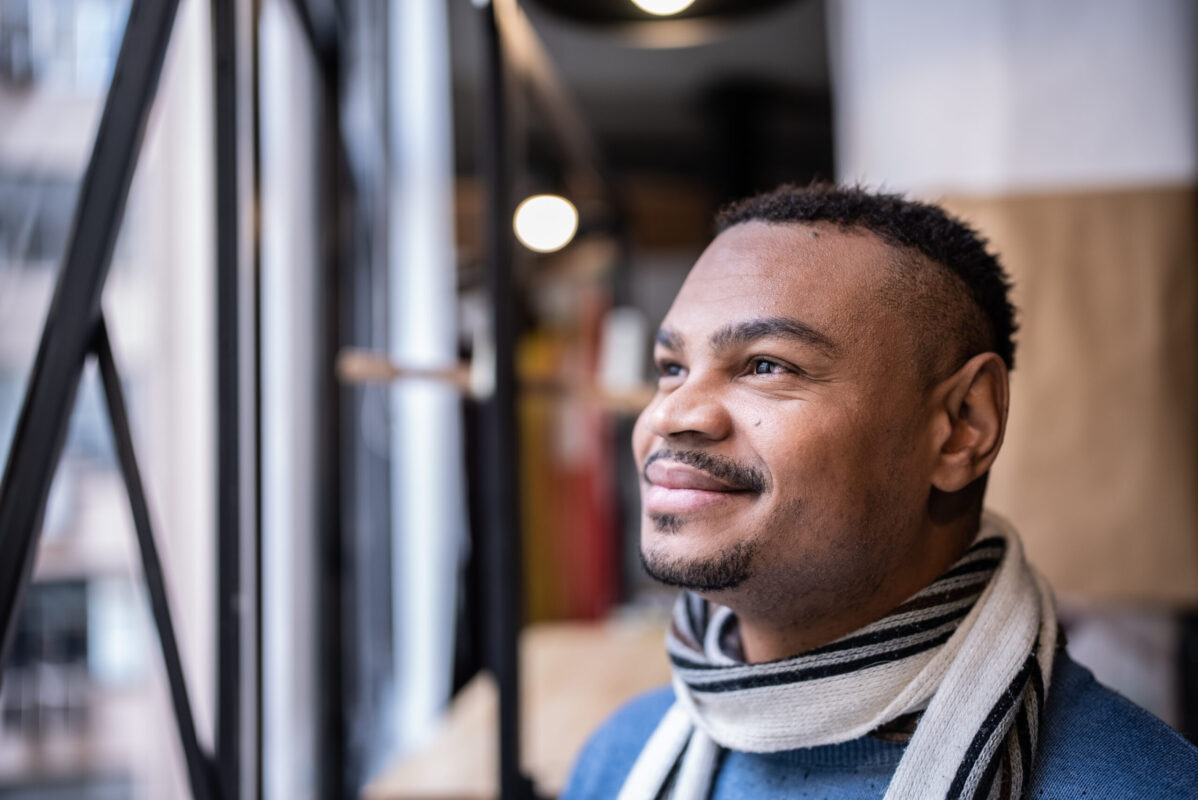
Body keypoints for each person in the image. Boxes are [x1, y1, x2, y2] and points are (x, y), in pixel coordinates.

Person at [562, 184, 1198, 800]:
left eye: (766, 365)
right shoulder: (618, 759)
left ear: (962, 426)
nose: (670, 414)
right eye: (671, 369)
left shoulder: (1135, 787)